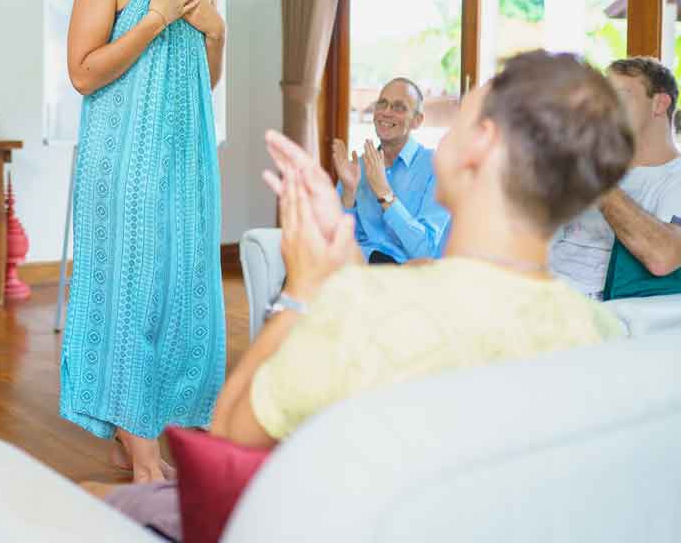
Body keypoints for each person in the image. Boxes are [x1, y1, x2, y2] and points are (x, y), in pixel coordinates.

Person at [95, 51, 630, 539]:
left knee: (102, 501)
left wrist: (304, 290)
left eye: (457, 119)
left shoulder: (368, 313)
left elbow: (228, 436)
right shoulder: (600, 334)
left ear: (482, 144)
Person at [60, 0, 227, 482]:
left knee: (182, 294)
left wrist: (216, 30)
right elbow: (82, 74)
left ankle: (142, 430)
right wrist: (155, 18)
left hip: (185, 160)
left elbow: (202, 79)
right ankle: (144, 456)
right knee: (130, 292)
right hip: (121, 160)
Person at [550, 56, 681, 299]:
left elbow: (664, 257)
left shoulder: (675, 178)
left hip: (595, 310)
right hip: (540, 290)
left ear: (660, 104)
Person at [330, 77, 449, 264]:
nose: (386, 112)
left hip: (403, 277)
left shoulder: (436, 167)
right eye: (382, 104)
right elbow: (336, 241)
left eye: (398, 107)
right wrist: (348, 194)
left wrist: (385, 194)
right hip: (358, 269)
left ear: (417, 121)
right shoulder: (357, 166)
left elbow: (426, 251)